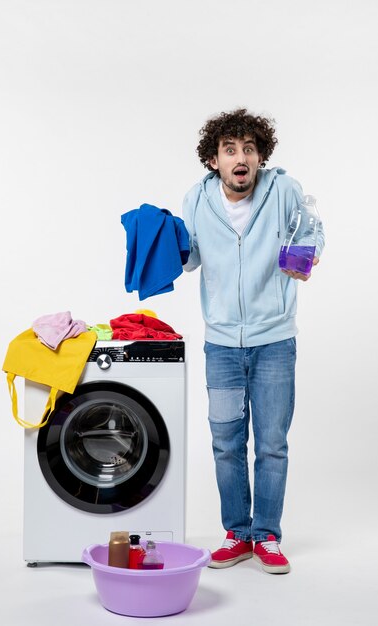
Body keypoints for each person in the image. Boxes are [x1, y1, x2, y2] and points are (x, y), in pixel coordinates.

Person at [182, 108, 325, 574]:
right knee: (226, 443)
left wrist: (307, 253)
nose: (240, 157)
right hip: (221, 344)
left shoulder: (283, 190)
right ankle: (236, 534)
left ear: (260, 156)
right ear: (214, 160)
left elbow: (313, 230)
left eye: (248, 148)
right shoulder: (196, 200)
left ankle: (266, 535)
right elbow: (189, 259)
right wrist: (162, 245)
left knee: (271, 443)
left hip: (275, 341)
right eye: (229, 150)